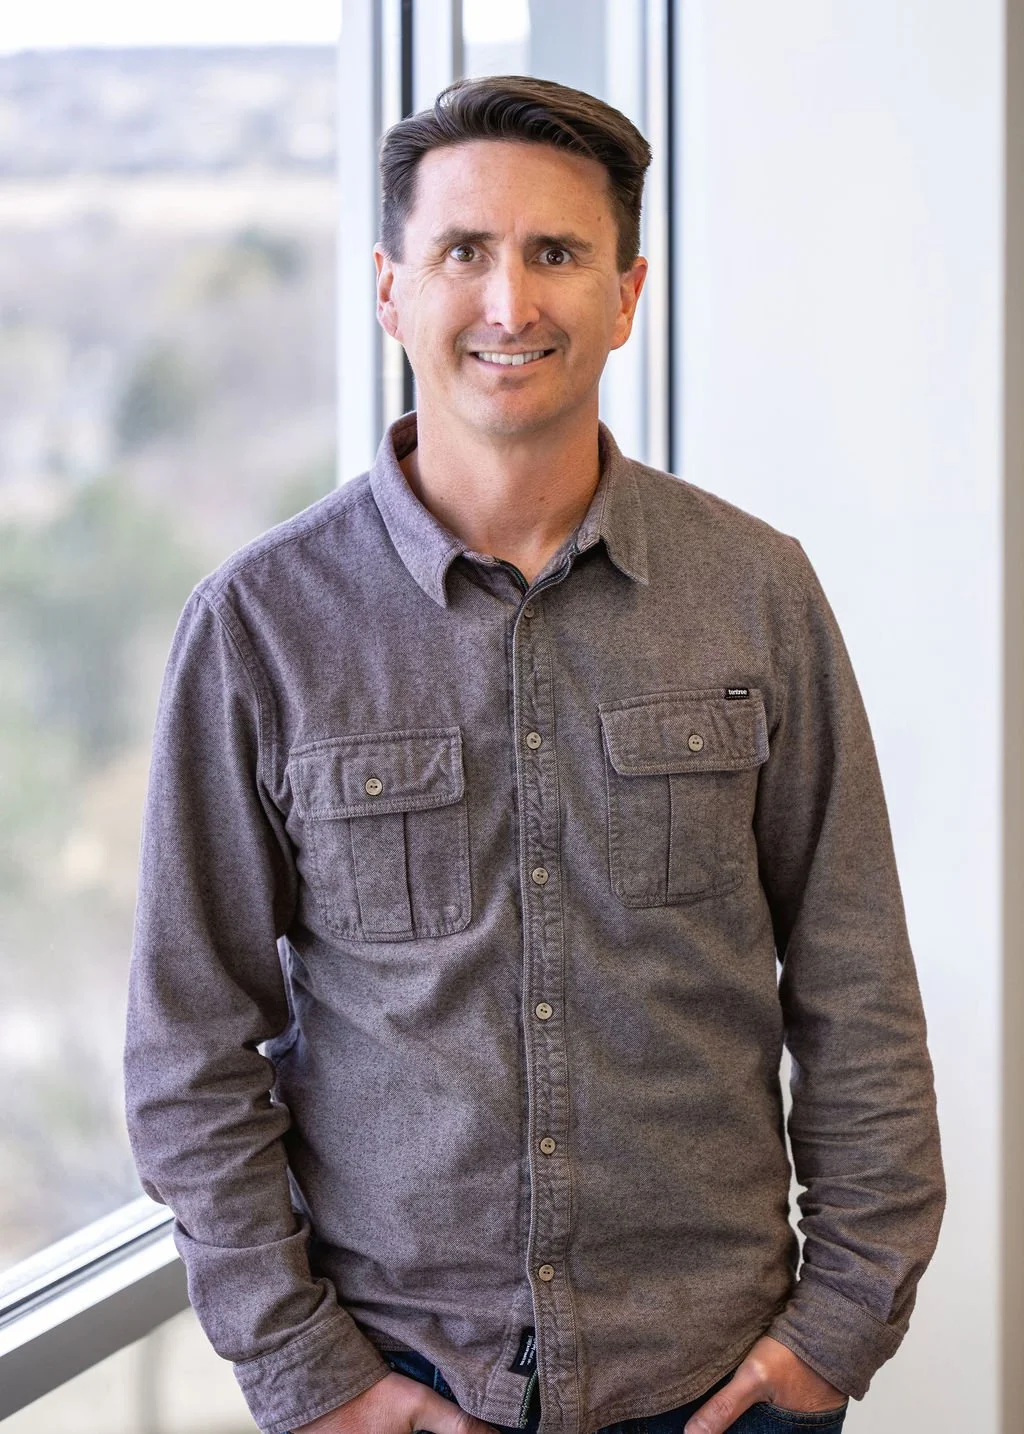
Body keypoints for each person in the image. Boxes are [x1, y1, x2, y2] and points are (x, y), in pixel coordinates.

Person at [124, 75, 944, 1434]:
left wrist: (839, 1328)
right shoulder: (259, 627)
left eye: (556, 253)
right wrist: (308, 1375)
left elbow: (858, 989)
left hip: (725, 1385)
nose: (510, 304)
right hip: (404, 1384)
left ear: (626, 295)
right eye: (465, 252)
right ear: (392, 290)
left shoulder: (759, 592)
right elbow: (187, 1052)